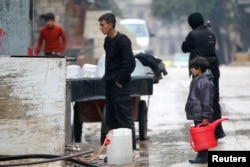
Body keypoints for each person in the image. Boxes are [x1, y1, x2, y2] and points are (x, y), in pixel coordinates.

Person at [181, 12, 226, 139]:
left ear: (191, 24)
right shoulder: (211, 32)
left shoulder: (193, 35)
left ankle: (204, 131)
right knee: (214, 99)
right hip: (213, 69)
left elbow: (184, 48)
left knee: (199, 101)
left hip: (199, 69)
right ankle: (218, 130)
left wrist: (190, 36)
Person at [98, 13, 136, 149]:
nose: (100, 28)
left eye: (102, 25)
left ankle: (129, 150)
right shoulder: (107, 42)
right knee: (111, 120)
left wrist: (120, 80)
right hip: (109, 86)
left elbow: (130, 63)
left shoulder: (123, 41)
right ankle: (115, 151)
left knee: (124, 119)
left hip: (120, 87)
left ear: (110, 25)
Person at [185, 57, 214, 164]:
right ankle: (201, 156)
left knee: (202, 137)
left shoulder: (205, 82)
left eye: (193, 68)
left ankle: (202, 157)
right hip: (197, 112)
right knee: (200, 136)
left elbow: (207, 100)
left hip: (201, 114)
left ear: (199, 68)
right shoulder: (198, 79)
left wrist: (205, 116)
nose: (191, 70)